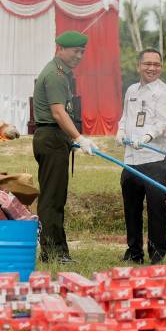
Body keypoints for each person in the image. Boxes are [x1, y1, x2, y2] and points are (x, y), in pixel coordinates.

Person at [32, 30, 97, 263]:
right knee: (52, 199)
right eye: (75, 51)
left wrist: (72, 140)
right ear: (60, 49)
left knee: (55, 197)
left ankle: (56, 251)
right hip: (51, 136)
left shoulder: (61, 72)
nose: (79, 56)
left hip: (54, 137)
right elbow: (58, 113)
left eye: (82, 52)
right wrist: (79, 137)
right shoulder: (57, 74)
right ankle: (53, 252)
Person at [116, 48, 166, 264]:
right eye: (147, 64)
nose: (152, 68)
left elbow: (162, 122)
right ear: (138, 66)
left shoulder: (165, 92)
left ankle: (157, 253)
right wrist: (120, 131)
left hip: (155, 159)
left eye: (156, 64)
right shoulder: (131, 90)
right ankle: (134, 251)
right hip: (131, 159)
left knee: (156, 207)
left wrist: (148, 136)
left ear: (161, 67)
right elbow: (125, 117)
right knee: (131, 206)